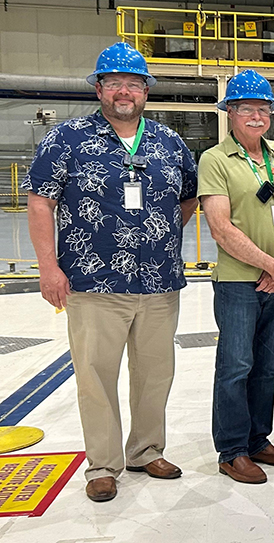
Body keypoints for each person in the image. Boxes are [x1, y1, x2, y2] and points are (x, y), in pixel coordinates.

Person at [25, 42, 198, 502]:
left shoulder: (168, 142)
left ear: (146, 91)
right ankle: (102, 465)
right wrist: (48, 267)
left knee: (156, 373)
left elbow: (190, 196)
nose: (125, 92)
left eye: (134, 84)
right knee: (96, 376)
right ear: (99, 88)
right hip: (92, 279)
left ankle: (145, 450)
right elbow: (41, 200)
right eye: (115, 83)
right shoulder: (67, 138)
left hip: (159, 282)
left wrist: (156, 232)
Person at [199, 70, 274, 484]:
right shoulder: (214, 160)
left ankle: (258, 439)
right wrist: (271, 266)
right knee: (236, 365)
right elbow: (220, 227)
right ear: (230, 113)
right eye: (247, 109)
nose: (257, 117)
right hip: (238, 282)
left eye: (263, 109)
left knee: (266, 365)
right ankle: (231, 450)